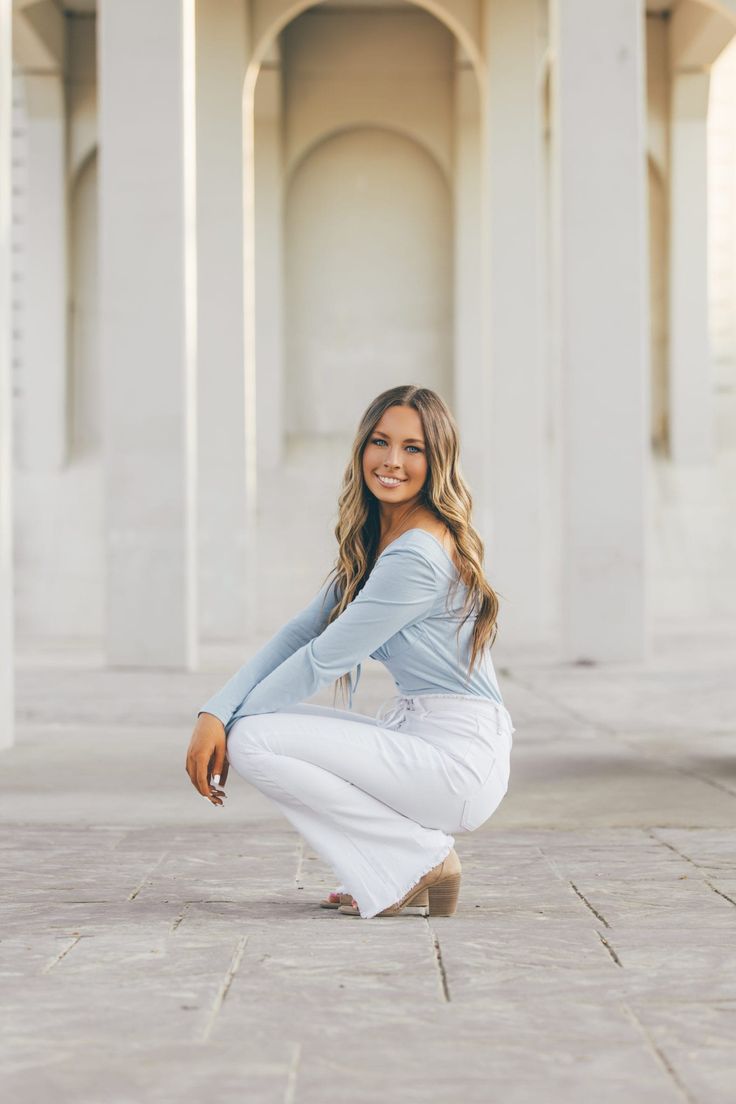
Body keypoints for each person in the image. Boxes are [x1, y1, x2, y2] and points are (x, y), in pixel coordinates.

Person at [185, 384, 515, 919]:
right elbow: (300, 634)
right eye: (380, 442)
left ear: (438, 460)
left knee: (256, 740)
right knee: (252, 730)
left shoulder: (417, 554)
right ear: (361, 446)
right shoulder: (379, 541)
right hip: (426, 740)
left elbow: (322, 659)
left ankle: (416, 858)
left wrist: (229, 724)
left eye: (414, 448)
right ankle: (397, 863)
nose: (391, 461)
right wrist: (215, 711)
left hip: (457, 761)